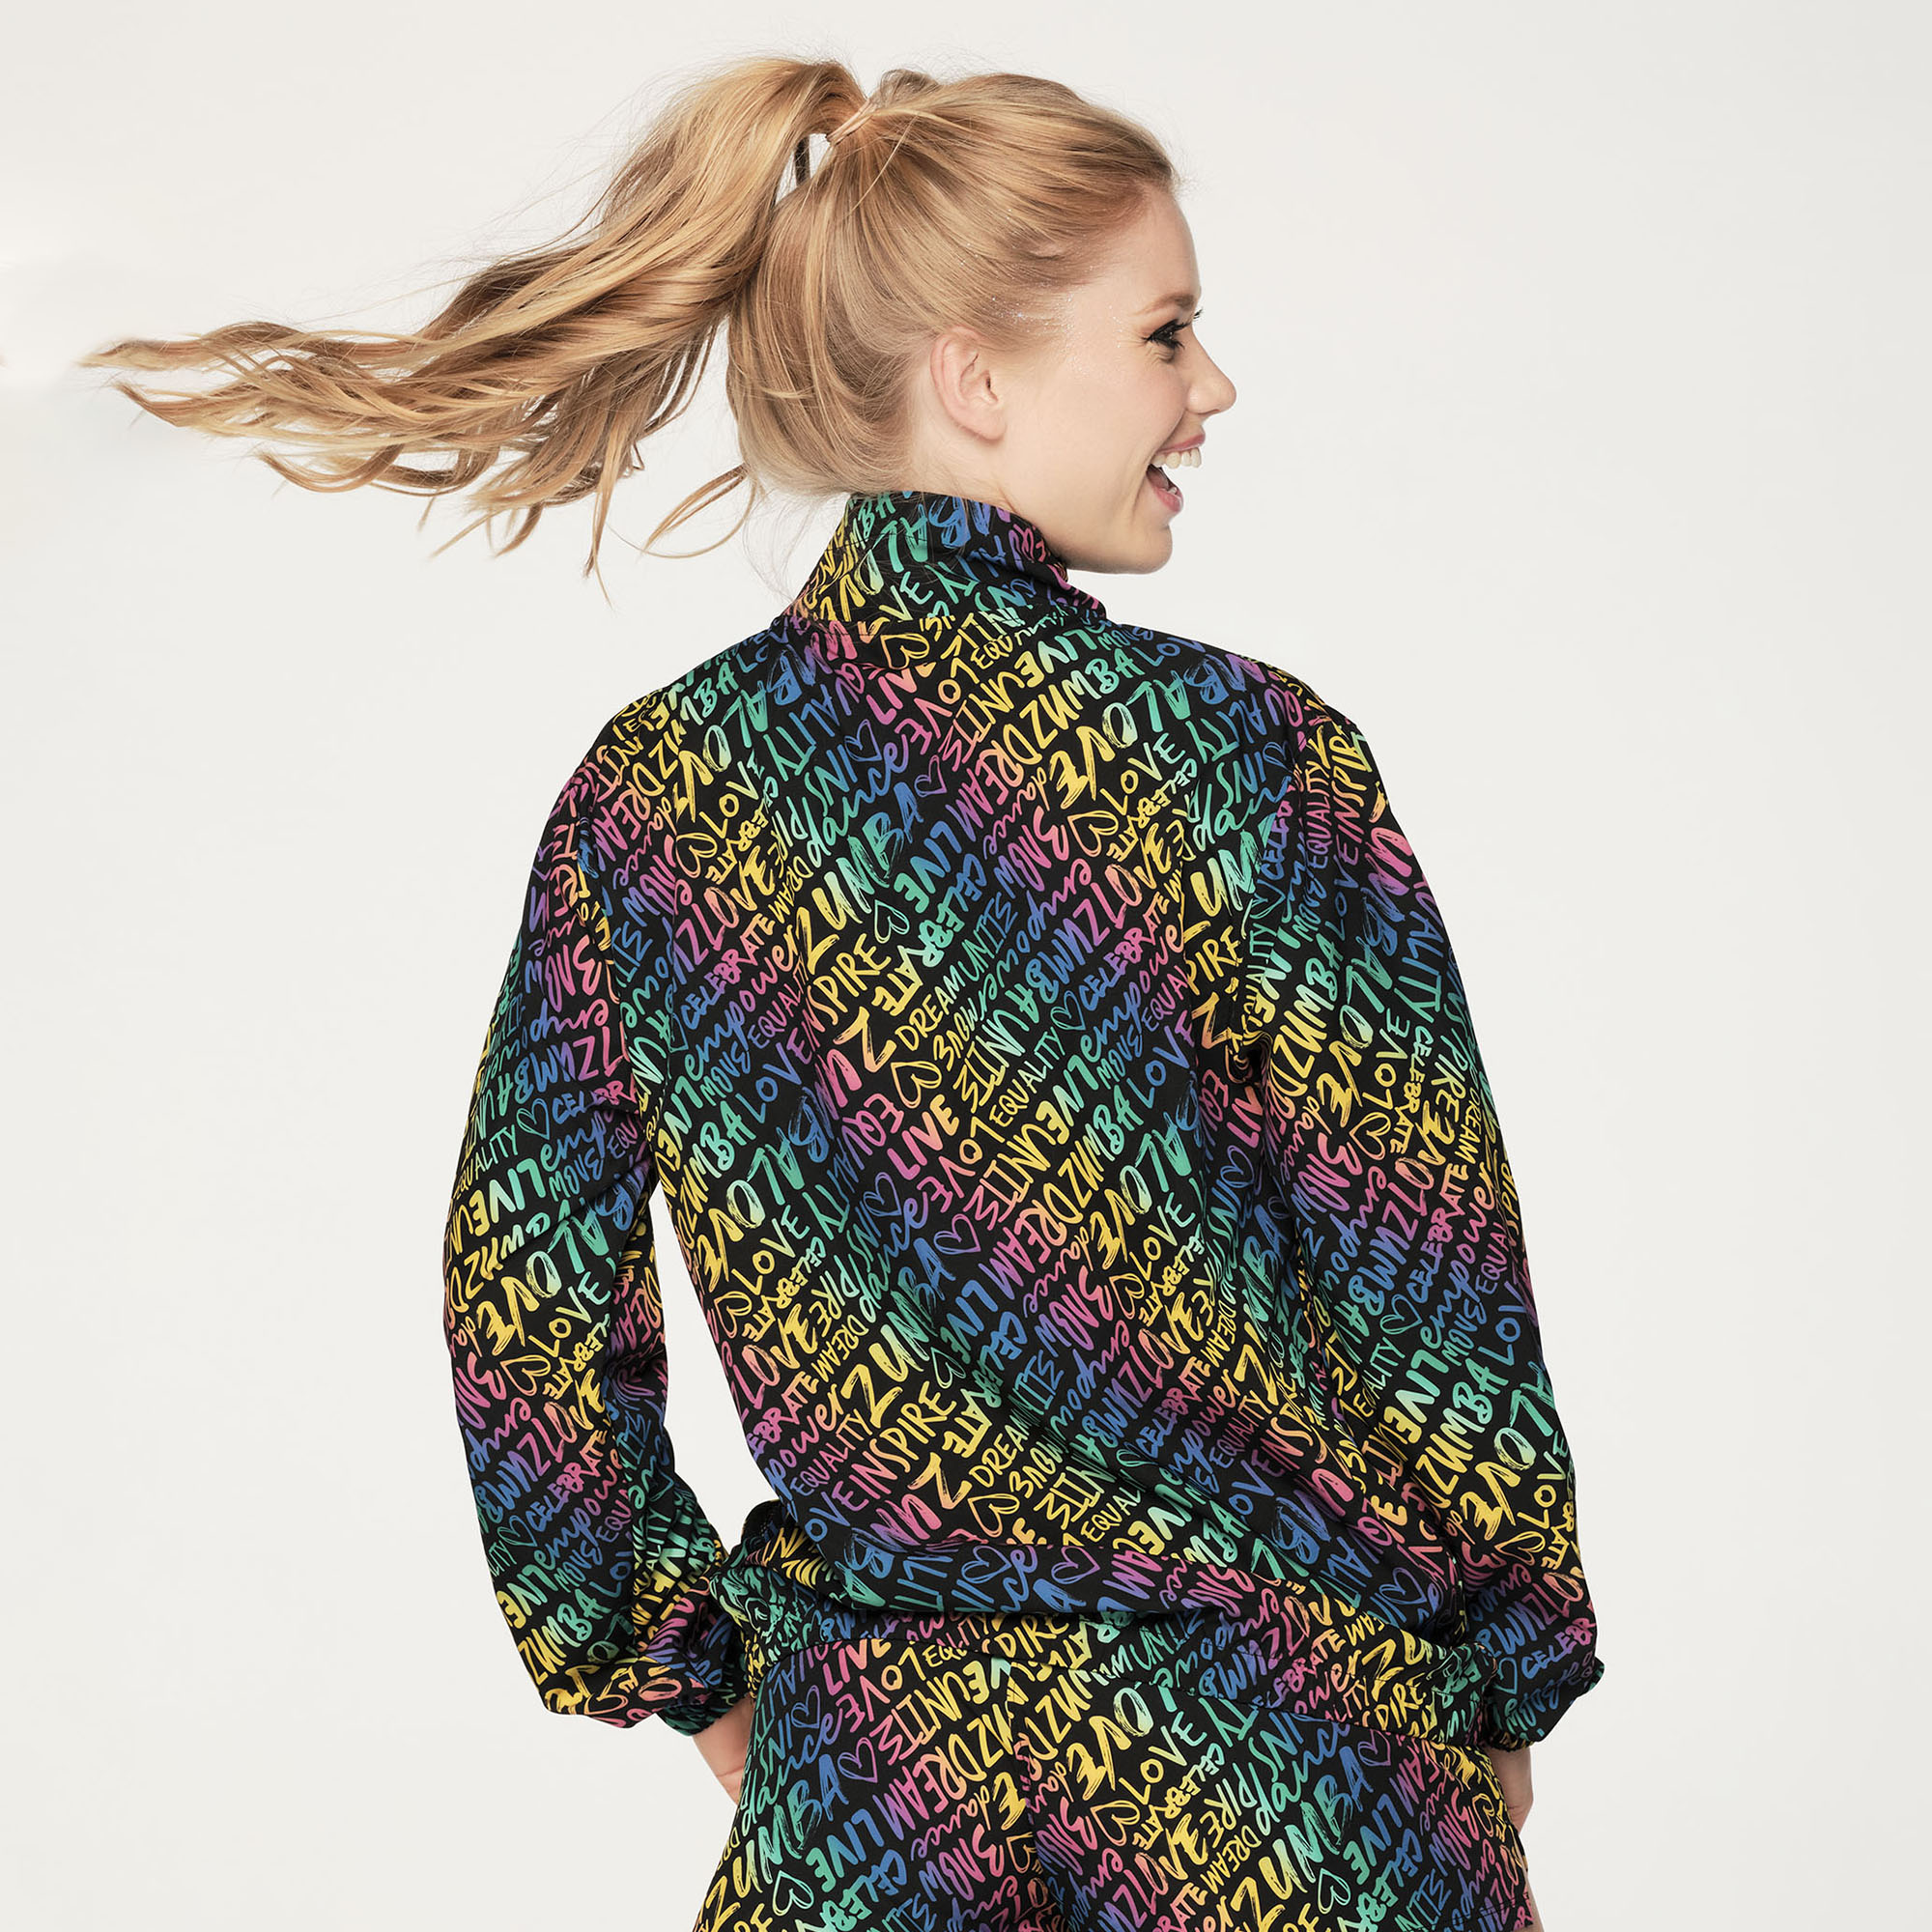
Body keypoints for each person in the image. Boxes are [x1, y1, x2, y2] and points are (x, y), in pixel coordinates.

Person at [80, 53, 1605, 1932]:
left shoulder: (660, 797)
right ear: (975, 377)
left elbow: (523, 1293)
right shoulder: (1248, 765)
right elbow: (1426, 1278)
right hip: (1293, 1785)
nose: (1209, 386)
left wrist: (695, 1673)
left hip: (882, 1799)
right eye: (1165, 332)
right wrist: (1499, 1677)